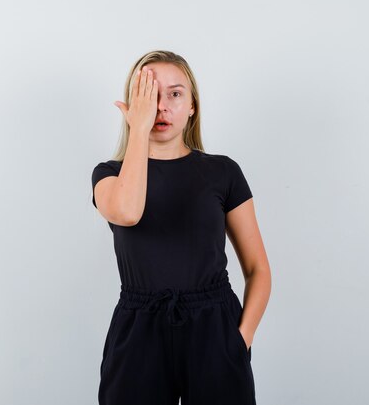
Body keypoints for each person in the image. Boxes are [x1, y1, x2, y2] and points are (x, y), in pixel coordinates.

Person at [91, 50, 272, 405]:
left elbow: (258, 269)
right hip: (138, 329)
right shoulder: (109, 174)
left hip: (214, 327)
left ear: (192, 106)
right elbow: (127, 212)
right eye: (149, 94)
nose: (161, 106)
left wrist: (240, 340)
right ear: (134, 105)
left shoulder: (223, 172)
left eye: (174, 94)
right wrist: (139, 132)